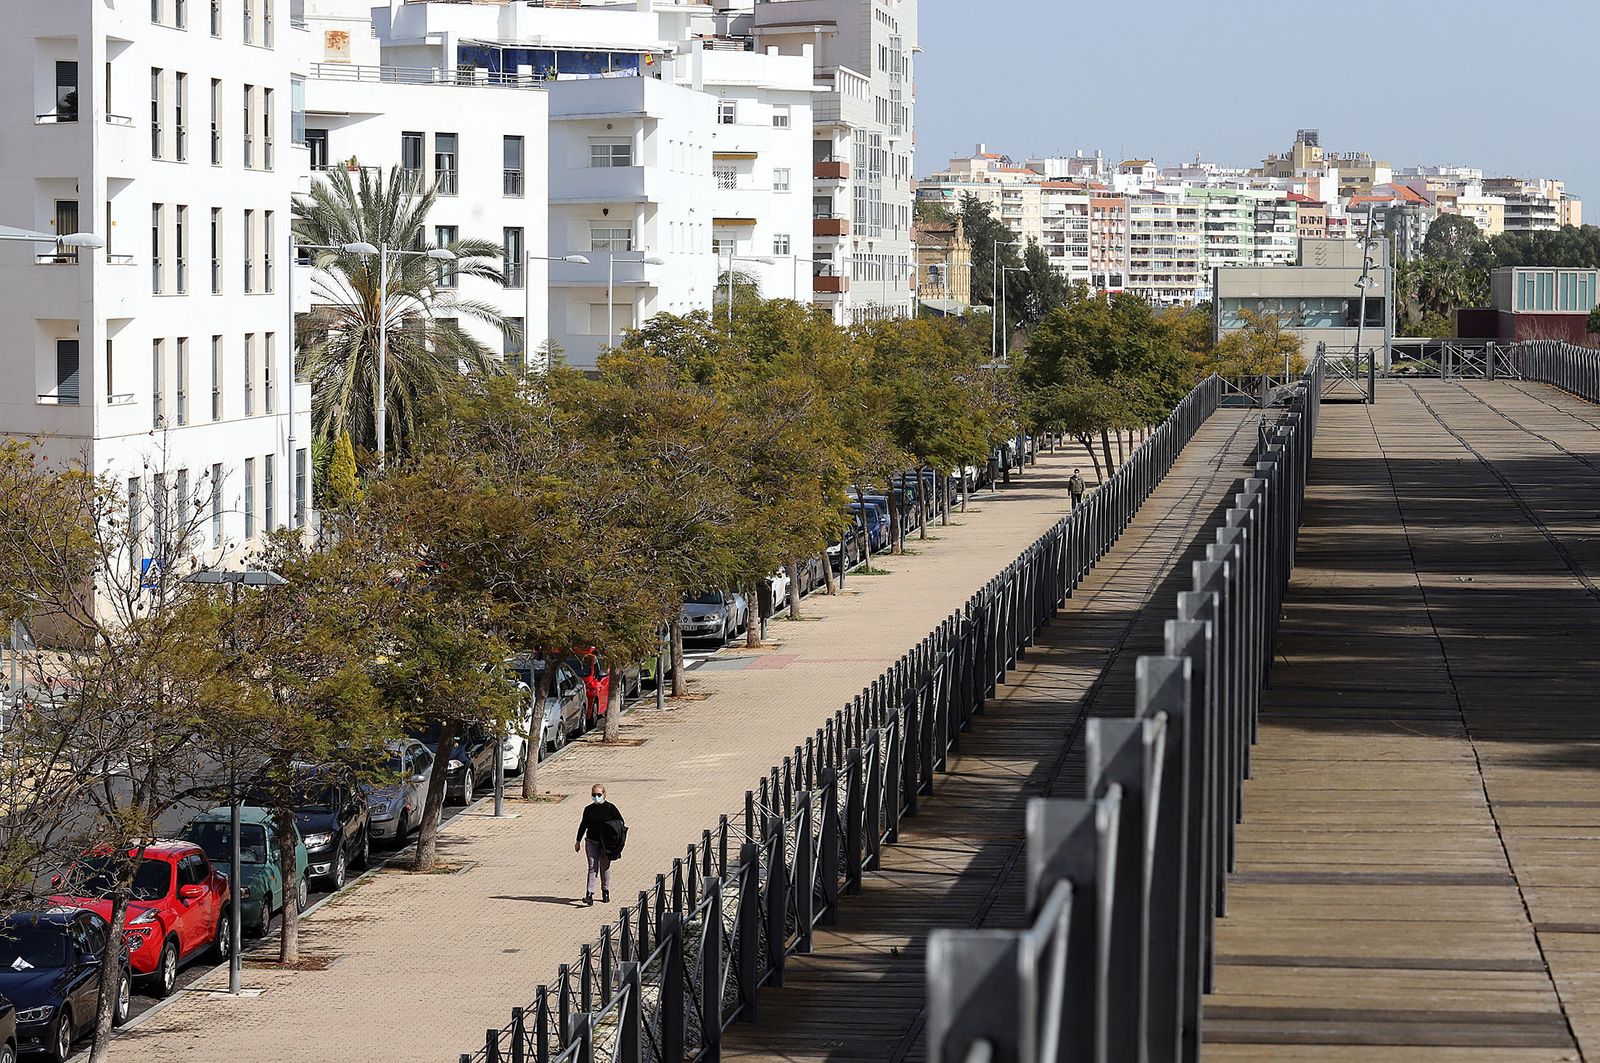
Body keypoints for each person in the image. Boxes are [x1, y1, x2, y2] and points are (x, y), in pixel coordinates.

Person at [575, 784, 624, 906]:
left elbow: (620, 823)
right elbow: (583, 825)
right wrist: (578, 841)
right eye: (593, 795)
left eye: (598, 794)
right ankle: (589, 894)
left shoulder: (610, 808)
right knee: (592, 867)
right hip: (591, 841)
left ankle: (605, 890)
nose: (596, 797)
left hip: (606, 844)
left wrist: (614, 837)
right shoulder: (588, 809)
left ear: (604, 794)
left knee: (605, 867)